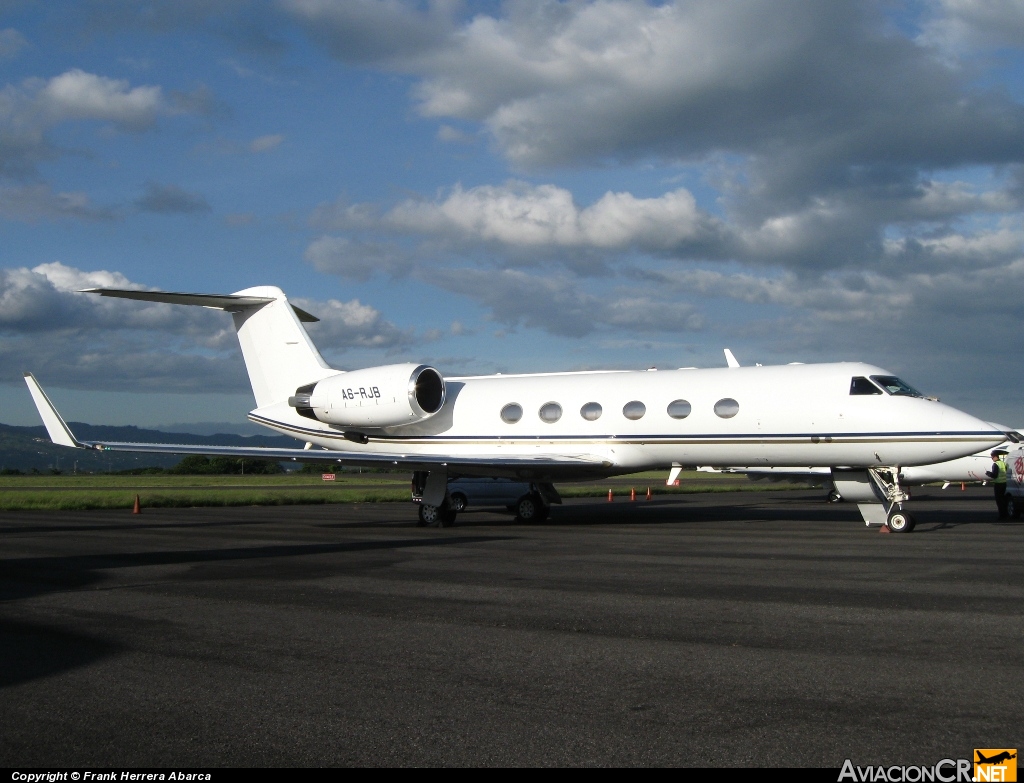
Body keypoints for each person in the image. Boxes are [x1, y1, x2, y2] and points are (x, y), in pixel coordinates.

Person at [986, 449, 1009, 519]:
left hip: (998, 484)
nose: (992, 458)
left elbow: (994, 475)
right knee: (1004, 500)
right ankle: (1006, 514)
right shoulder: (1003, 463)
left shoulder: (995, 464)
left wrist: (989, 474)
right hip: (1004, 483)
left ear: (995, 457)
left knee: (999, 501)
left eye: (992, 457)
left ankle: (1002, 515)